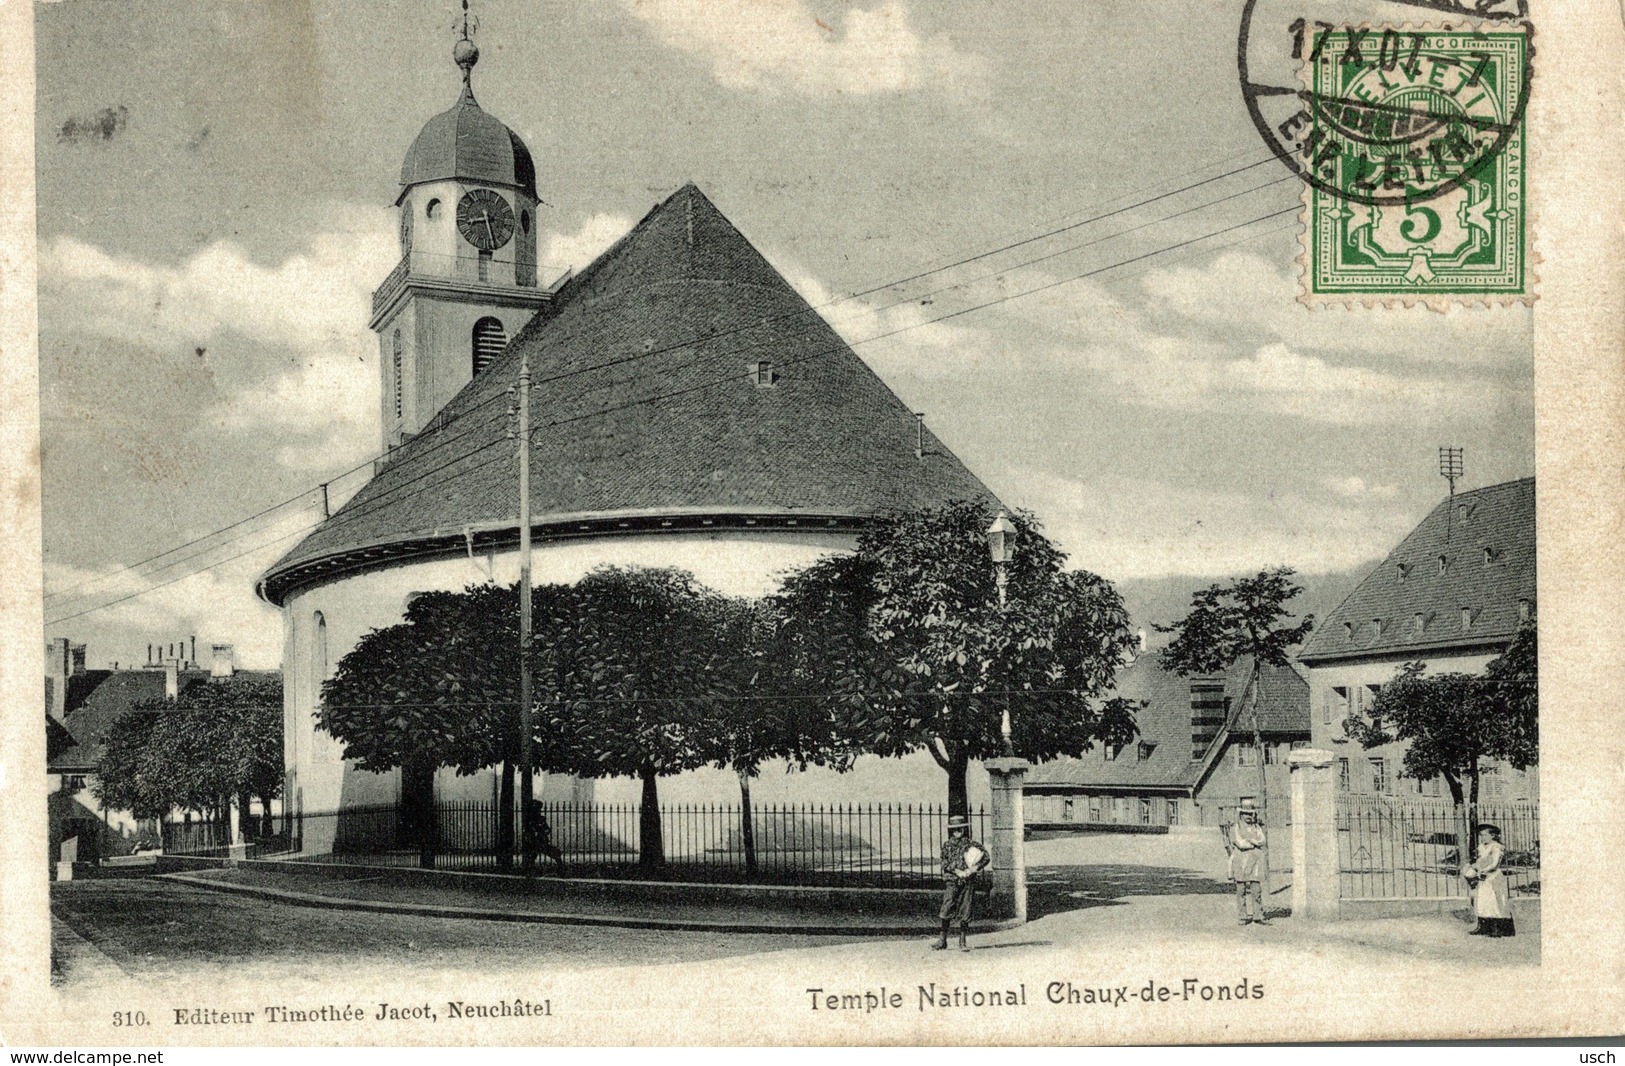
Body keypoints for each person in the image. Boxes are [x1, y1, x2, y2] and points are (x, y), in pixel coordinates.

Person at [935, 814, 990, 952]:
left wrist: (973, 869)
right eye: (954, 829)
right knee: (947, 907)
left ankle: (962, 941)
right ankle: (942, 940)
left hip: (968, 880)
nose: (957, 831)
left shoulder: (972, 844)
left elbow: (986, 857)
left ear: (964, 829)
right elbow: (944, 863)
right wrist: (956, 871)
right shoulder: (947, 845)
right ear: (951, 831)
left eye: (959, 828)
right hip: (952, 881)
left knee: (966, 909)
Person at [1463, 823, 1515, 937]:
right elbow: (1480, 861)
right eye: (1481, 835)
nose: (1483, 838)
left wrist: (1483, 870)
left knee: (1494, 901)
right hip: (1483, 877)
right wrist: (1474, 869)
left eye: (1485, 835)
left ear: (1493, 836)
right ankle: (1483, 927)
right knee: (1482, 900)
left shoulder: (1496, 847)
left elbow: (1495, 864)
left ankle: (1498, 929)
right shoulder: (1482, 847)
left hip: (1493, 877)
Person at [1226, 798, 1269, 926]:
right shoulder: (1236, 827)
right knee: (1241, 889)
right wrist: (1253, 843)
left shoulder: (1256, 827)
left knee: (1256, 889)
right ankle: (1242, 916)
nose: (1249, 816)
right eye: (1246, 814)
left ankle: (1258, 914)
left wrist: (1252, 841)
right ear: (1241, 814)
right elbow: (1240, 843)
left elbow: (1262, 840)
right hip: (1241, 861)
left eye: (1251, 814)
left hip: (1255, 861)